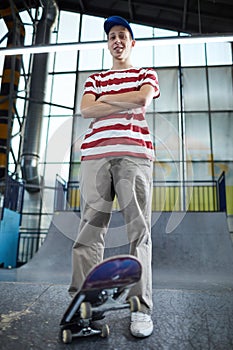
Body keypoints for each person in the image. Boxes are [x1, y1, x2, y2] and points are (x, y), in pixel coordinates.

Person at [68, 15, 160, 338]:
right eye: (112, 37)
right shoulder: (95, 78)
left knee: (139, 231)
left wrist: (106, 101)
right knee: (89, 232)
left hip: (134, 155)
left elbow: (142, 98)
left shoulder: (146, 74)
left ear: (132, 42)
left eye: (123, 35)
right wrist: (114, 102)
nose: (117, 40)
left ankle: (140, 309)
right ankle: (83, 307)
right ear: (108, 44)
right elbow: (86, 109)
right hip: (95, 156)